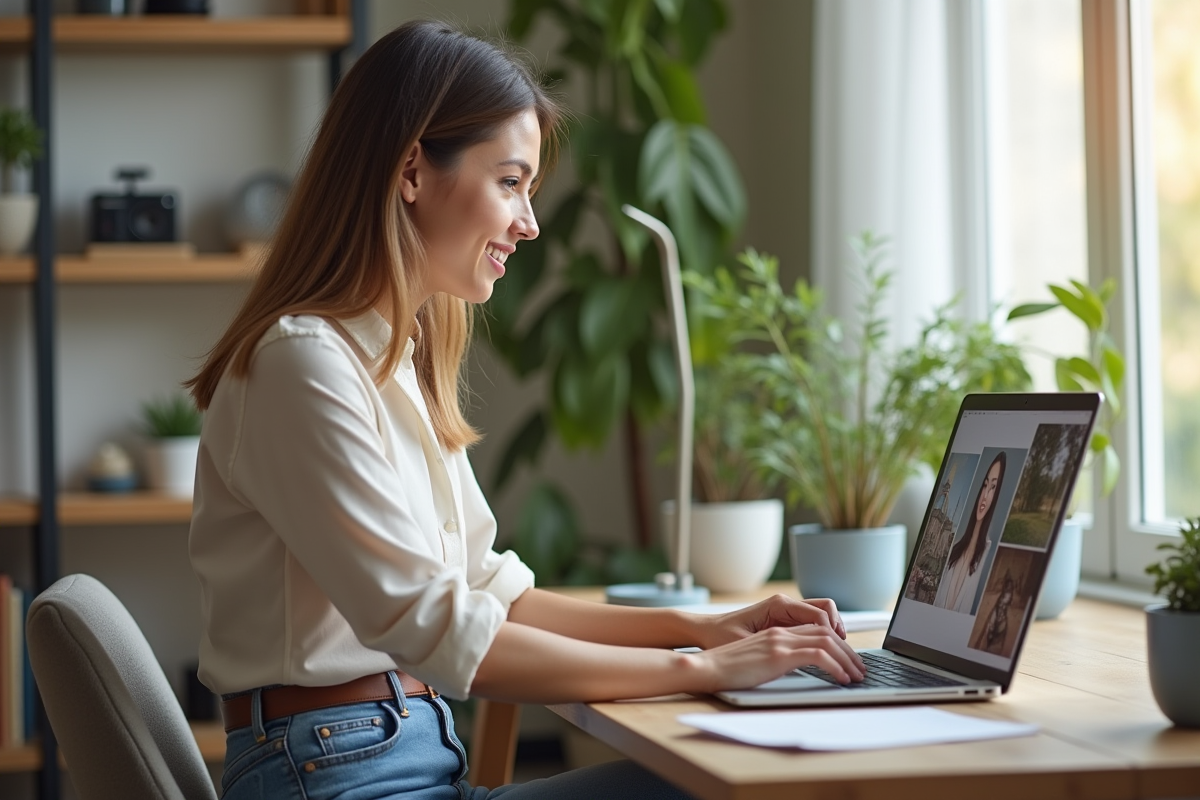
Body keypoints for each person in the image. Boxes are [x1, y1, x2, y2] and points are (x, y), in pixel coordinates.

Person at [186, 20, 865, 800]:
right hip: (336, 773)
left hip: (386, 755)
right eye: (510, 182)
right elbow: (437, 627)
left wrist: (702, 627)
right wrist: (704, 669)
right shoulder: (301, 365)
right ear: (412, 170)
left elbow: (490, 591)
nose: (530, 223)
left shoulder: (390, 360)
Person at [933, 452, 1007, 614]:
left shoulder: (989, 555)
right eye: (985, 485)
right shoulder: (955, 548)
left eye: (993, 488)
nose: (985, 496)